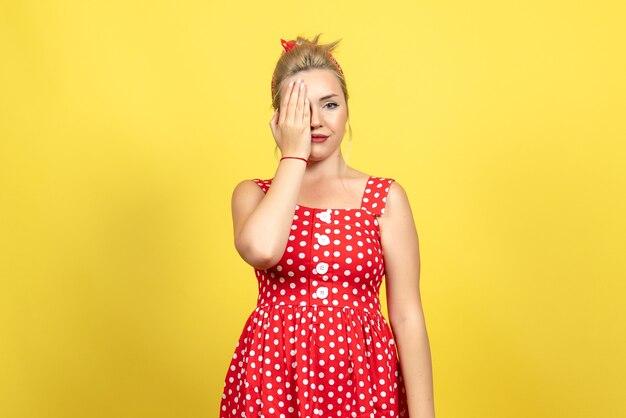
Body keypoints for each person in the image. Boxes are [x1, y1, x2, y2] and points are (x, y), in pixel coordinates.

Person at [219, 34, 435, 418]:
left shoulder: (385, 199)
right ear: (279, 119)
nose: (316, 121)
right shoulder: (254, 194)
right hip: (273, 379)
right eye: (300, 110)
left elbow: (407, 316)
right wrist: (293, 155)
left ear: (347, 110)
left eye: (330, 105)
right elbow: (263, 250)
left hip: (364, 380)